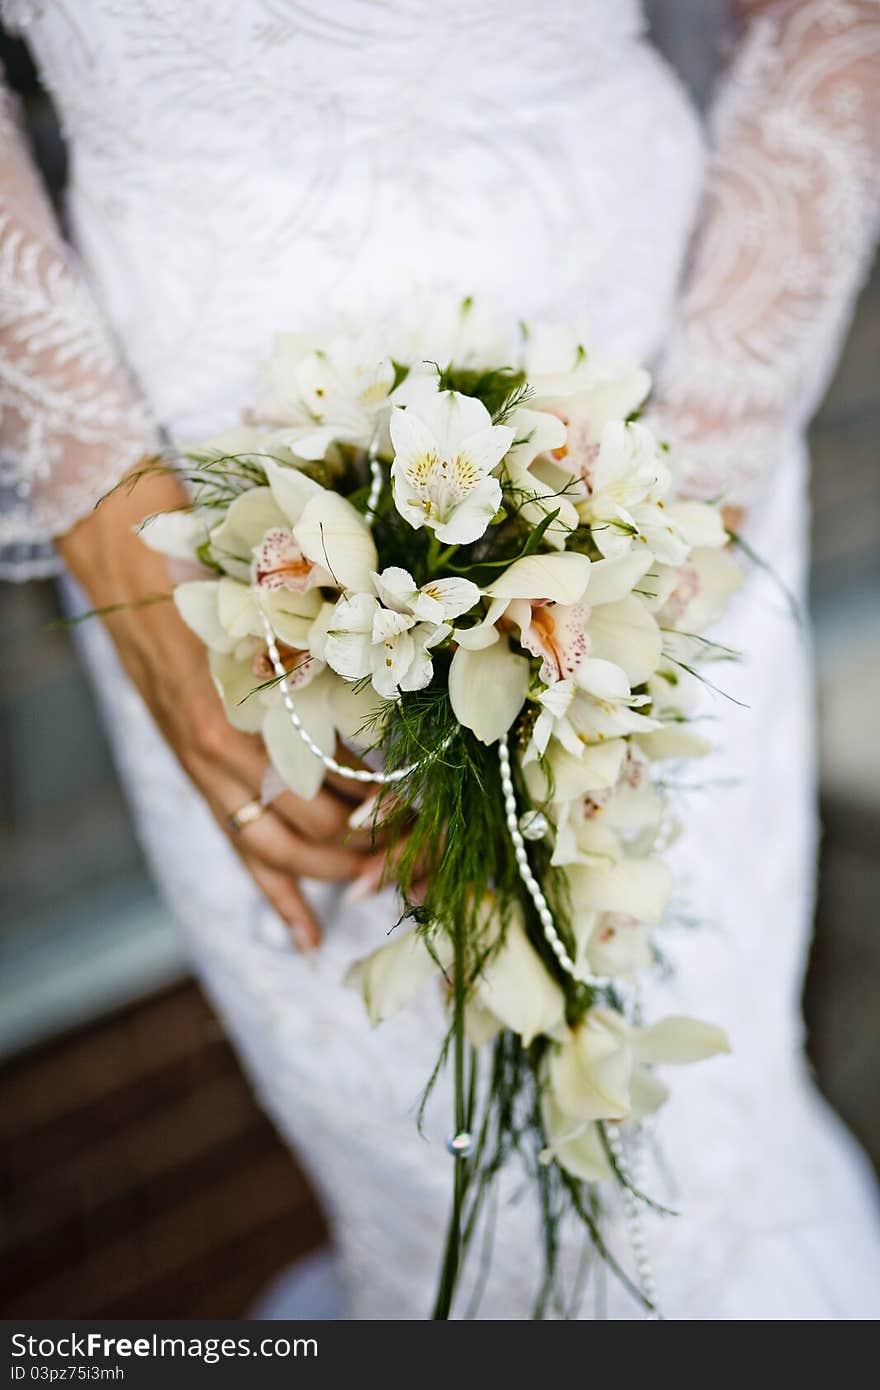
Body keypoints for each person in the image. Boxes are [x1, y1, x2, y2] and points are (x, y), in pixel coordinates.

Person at [2, 0, 879, 1318]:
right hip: (211, 540)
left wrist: (677, 525)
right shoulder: (168, 565)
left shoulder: (678, 502)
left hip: (653, 433)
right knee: (427, 1187)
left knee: (692, 1178)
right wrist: (110, 525)